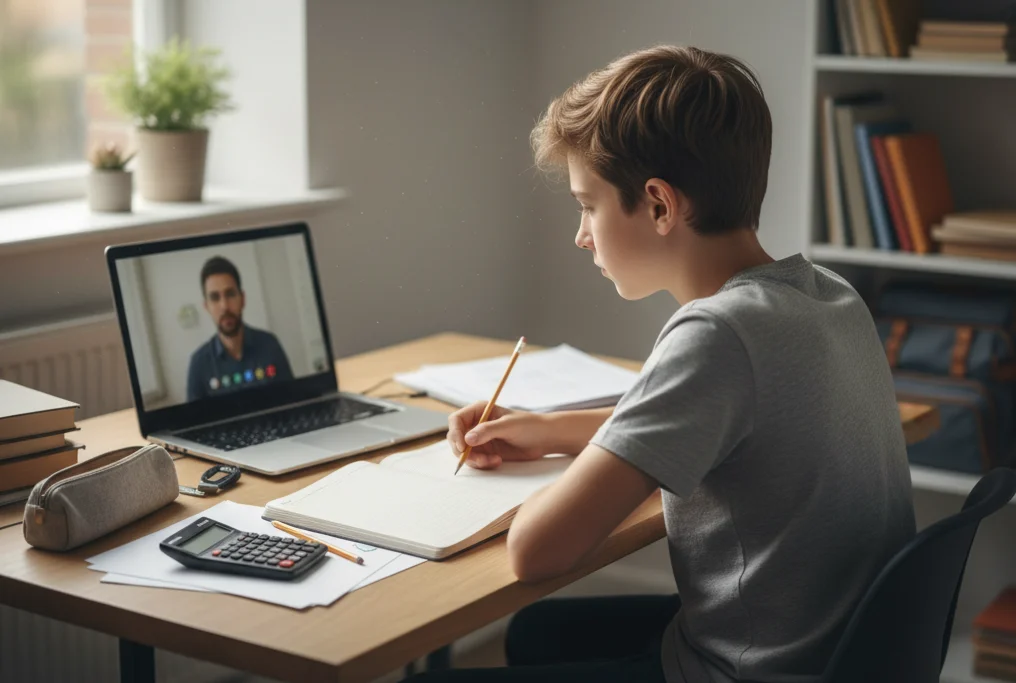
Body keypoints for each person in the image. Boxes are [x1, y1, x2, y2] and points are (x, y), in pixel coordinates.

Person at [413, 46, 915, 683]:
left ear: (658, 205)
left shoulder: (716, 333)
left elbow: (534, 553)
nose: (582, 235)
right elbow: (724, 418)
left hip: (743, 670)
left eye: (587, 204)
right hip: (834, 651)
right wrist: (548, 431)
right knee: (538, 631)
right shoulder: (828, 295)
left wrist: (567, 483)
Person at [186, 256, 294, 401]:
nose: (224, 306)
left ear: (242, 299)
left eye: (230, 294)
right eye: (215, 297)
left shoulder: (270, 344)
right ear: (207, 307)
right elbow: (195, 422)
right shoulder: (198, 363)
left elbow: (293, 401)